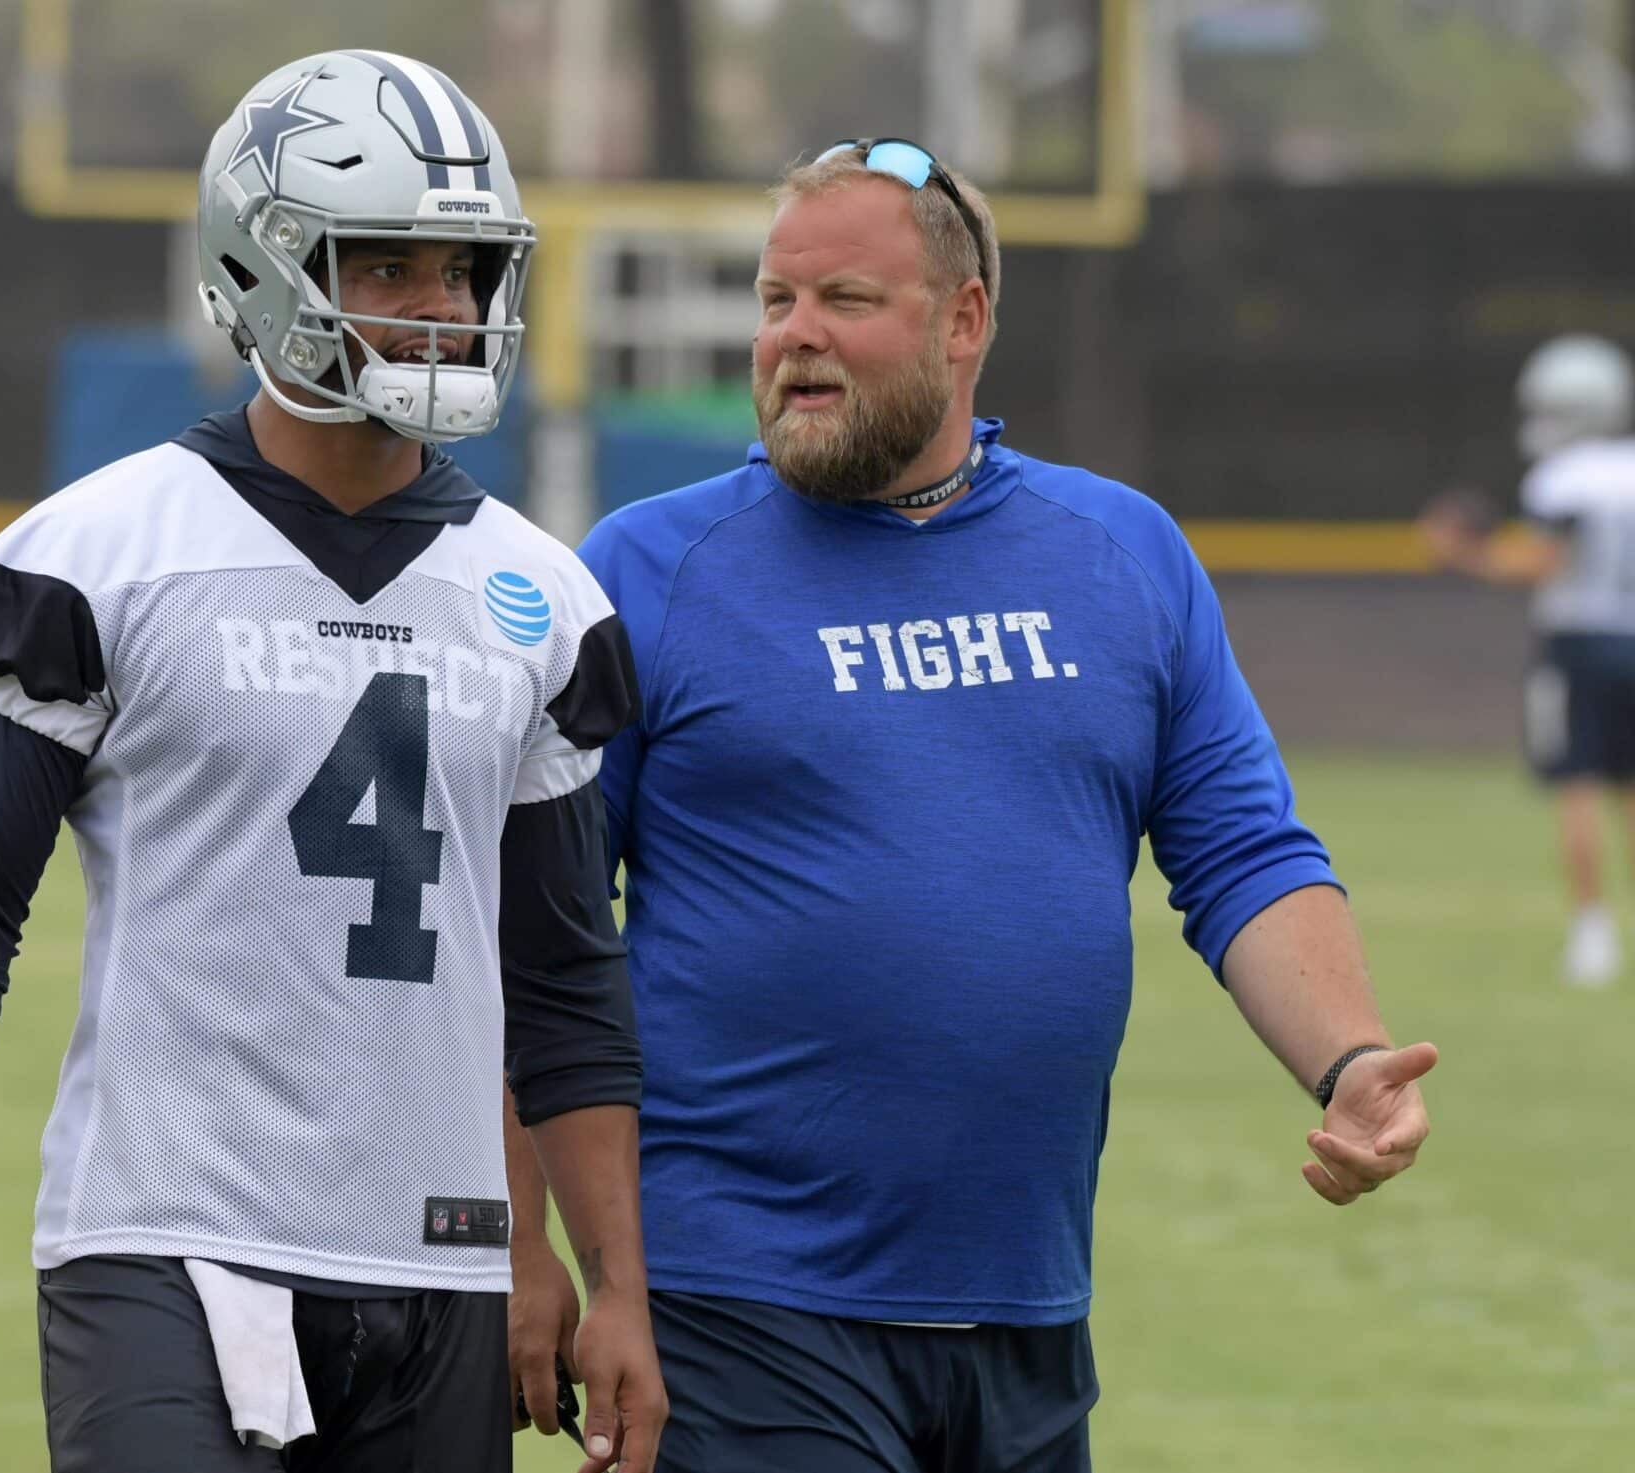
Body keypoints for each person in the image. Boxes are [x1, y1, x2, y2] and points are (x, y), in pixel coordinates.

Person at [504, 139, 1438, 1472]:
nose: (795, 339)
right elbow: (531, 931)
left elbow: (1242, 852)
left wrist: (1348, 1063)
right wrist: (525, 1240)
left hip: (1026, 1304)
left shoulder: (1122, 554)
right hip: (741, 1300)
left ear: (965, 321)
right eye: (776, 302)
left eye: (846, 302)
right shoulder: (647, 571)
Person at [0, 51, 667, 1473]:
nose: (442, 310)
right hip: (162, 1244)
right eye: (387, 265)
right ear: (261, 268)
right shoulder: (97, 558)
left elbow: (568, 982)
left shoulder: (542, 600)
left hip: (438, 1262)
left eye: (461, 270)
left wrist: (610, 1280)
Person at [1422, 333, 1635, 987]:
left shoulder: (1563, 478)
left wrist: (1467, 555)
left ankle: (1592, 932)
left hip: (1577, 641)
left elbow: (1545, 562)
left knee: (1578, 787)